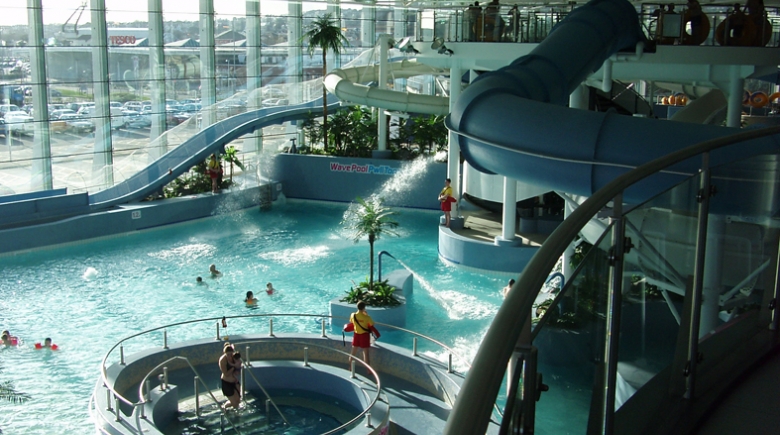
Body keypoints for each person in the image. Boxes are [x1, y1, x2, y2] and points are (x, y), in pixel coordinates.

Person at [348, 301, 380, 367]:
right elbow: (372, 324)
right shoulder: (367, 317)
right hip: (364, 336)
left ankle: (350, 367)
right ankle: (368, 370)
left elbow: (351, 321)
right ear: (364, 308)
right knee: (366, 354)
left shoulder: (353, 315)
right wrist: (365, 315)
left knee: (353, 352)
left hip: (356, 335)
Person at [218, 343, 241, 411]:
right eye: (228, 355)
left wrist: (237, 368)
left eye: (231, 354)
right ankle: (236, 417)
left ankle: (224, 406)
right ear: (225, 353)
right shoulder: (223, 360)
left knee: (238, 401)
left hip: (234, 382)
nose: (229, 356)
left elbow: (239, 368)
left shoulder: (233, 358)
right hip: (226, 383)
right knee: (235, 404)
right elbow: (226, 373)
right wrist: (234, 367)